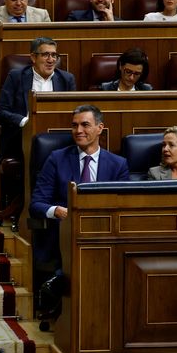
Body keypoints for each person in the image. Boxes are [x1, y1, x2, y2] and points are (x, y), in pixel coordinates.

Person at [30, 105, 129, 276]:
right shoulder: (56, 159)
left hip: (103, 234)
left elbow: (124, 206)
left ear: (100, 128)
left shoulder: (118, 164)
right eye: (74, 125)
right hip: (65, 236)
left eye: (85, 125)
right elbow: (36, 204)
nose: (78, 130)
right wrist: (57, 211)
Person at [0, 37, 77, 162]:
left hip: (56, 136)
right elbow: (0, 112)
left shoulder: (67, 79)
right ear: (33, 58)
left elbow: (74, 112)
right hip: (21, 136)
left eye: (54, 55)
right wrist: (24, 122)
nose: (51, 60)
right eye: (45, 55)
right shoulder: (16, 77)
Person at [0, 0, 51, 100]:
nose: (19, 3)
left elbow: (50, 45)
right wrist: (13, 48)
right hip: (6, 71)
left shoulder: (42, 15)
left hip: (38, 70)